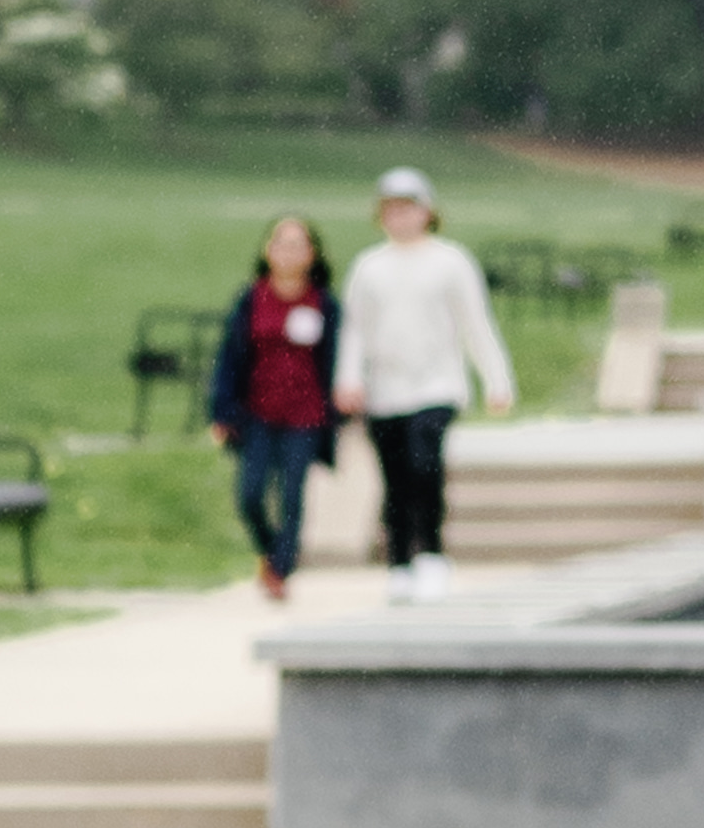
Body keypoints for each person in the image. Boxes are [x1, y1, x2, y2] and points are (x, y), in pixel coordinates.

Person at [331, 168, 516, 595]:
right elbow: (356, 328)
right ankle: (399, 560)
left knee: (424, 464)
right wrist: (348, 378)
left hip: (436, 383)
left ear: (427, 212)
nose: (400, 218)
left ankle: (431, 551)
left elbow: (475, 323)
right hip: (385, 389)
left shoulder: (451, 261)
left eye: (408, 208)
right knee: (394, 475)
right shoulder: (369, 266)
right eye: (391, 210)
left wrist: (496, 379)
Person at [204, 213, 339, 599]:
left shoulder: (324, 304)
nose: (289, 252)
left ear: (312, 254)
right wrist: (221, 411)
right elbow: (230, 358)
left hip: (305, 414)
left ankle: (281, 568)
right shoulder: (251, 299)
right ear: (268, 250)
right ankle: (269, 551)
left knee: (292, 494)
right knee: (250, 494)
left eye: (298, 244)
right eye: (282, 243)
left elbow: (335, 358)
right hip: (258, 413)